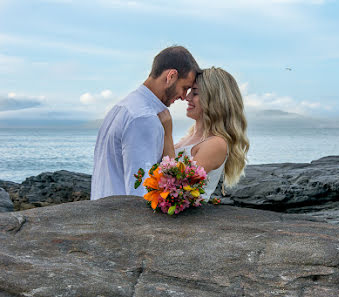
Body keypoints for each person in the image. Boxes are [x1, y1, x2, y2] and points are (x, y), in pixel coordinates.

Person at [90, 46, 201, 200]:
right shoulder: (144, 118)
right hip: (121, 218)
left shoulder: (123, 106)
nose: (184, 97)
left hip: (102, 210)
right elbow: (141, 191)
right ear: (171, 76)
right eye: (185, 88)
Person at [158, 67, 249, 201]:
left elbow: (177, 189)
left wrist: (167, 134)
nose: (187, 97)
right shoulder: (189, 138)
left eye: (195, 93)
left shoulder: (216, 144)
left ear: (214, 100)